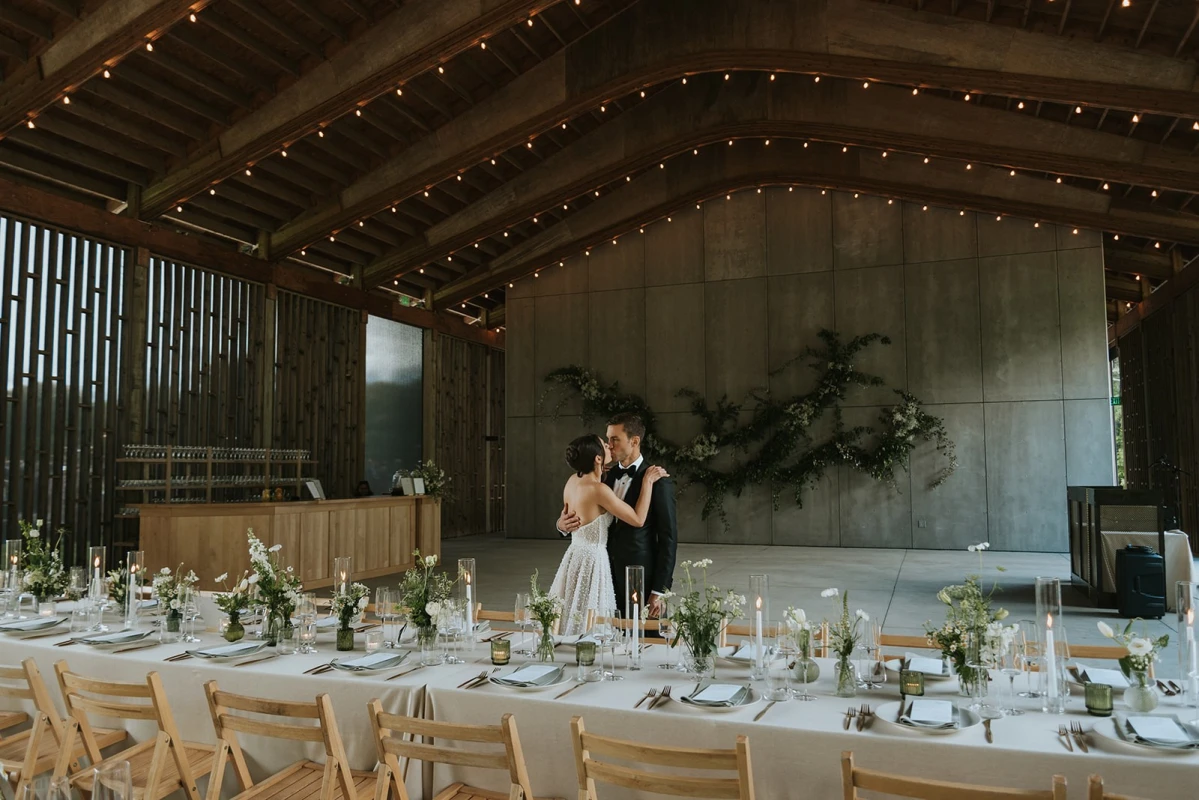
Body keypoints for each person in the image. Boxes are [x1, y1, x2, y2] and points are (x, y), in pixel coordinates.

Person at [557, 412, 678, 619]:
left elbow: (669, 539)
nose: (609, 445)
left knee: (642, 639)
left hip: (639, 576)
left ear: (635, 441)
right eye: (607, 439)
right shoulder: (603, 477)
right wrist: (561, 525)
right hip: (601, 574)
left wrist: (659, 590)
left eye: (614, 439)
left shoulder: (657, 480)